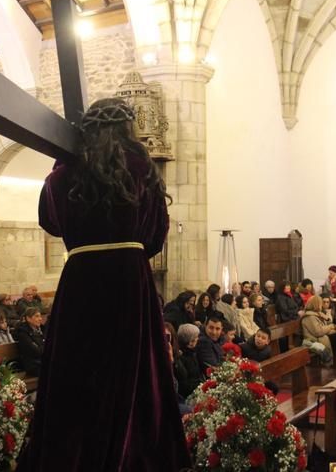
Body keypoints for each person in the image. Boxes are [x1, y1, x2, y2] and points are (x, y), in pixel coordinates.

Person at [19, 98, 189, 471]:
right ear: (128, 127)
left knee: (76, 370)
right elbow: (156, 237)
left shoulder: (64, 175)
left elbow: (49, 220)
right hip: (129, 280)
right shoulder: (142, 168)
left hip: (81, 278)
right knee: (133, 371)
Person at [300, 296, 334, 365]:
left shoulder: (317, 314)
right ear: (316, 304)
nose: (322, 305)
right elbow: (318, 332)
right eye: (321, 303)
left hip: (321, 337)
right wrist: (330, 327)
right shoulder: (310, 317)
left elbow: (328, 323)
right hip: (314, 340)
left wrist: (328, 316)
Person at [174, 324, 203, 399]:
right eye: (196, 337)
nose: (198, 339)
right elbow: (185, 384)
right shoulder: (182, 357)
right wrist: (202, 383)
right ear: (191, 341)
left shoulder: (192, 352)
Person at [16, 307, 44, 377]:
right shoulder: (23, 333)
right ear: (28, 318)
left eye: (40, 316)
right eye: (37, 316)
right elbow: (36, 351)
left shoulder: (43, 329)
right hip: (33, 366)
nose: (40, 319)